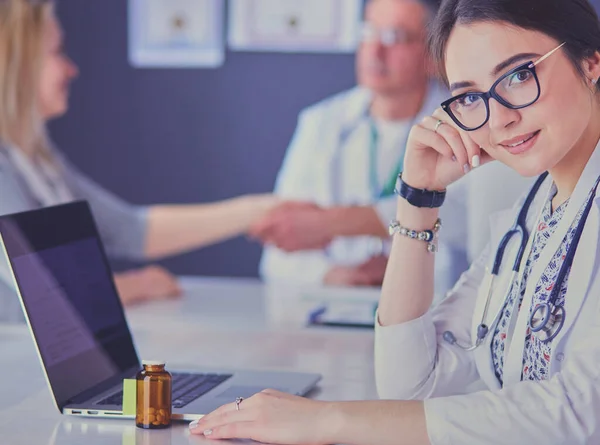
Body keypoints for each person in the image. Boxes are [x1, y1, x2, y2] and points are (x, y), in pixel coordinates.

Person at [189, 0, 600, 443]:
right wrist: (417, 200)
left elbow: (581, 412)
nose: (499, 118)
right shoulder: (534, 212)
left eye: (520, 75)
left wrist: (329, 421)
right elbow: (412, 382)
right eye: (470, 97)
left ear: (591, 60)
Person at [0, 0, 277, 320]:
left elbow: (130, 230)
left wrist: (259, 210)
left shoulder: (35, 158)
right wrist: (138, 284)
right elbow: (47, 294)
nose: (72, 69)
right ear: (16, 65)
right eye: (57, 52)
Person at [254, 0, 529, 292]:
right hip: (336, 308)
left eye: (394, 37)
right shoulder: (321, 123)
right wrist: (336, 275)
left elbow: (472, 221)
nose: (375, 51)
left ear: (433, 55)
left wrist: (336, 223)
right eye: (368, 32)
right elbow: (278, 249)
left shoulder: (470, 119)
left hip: (436, 311)